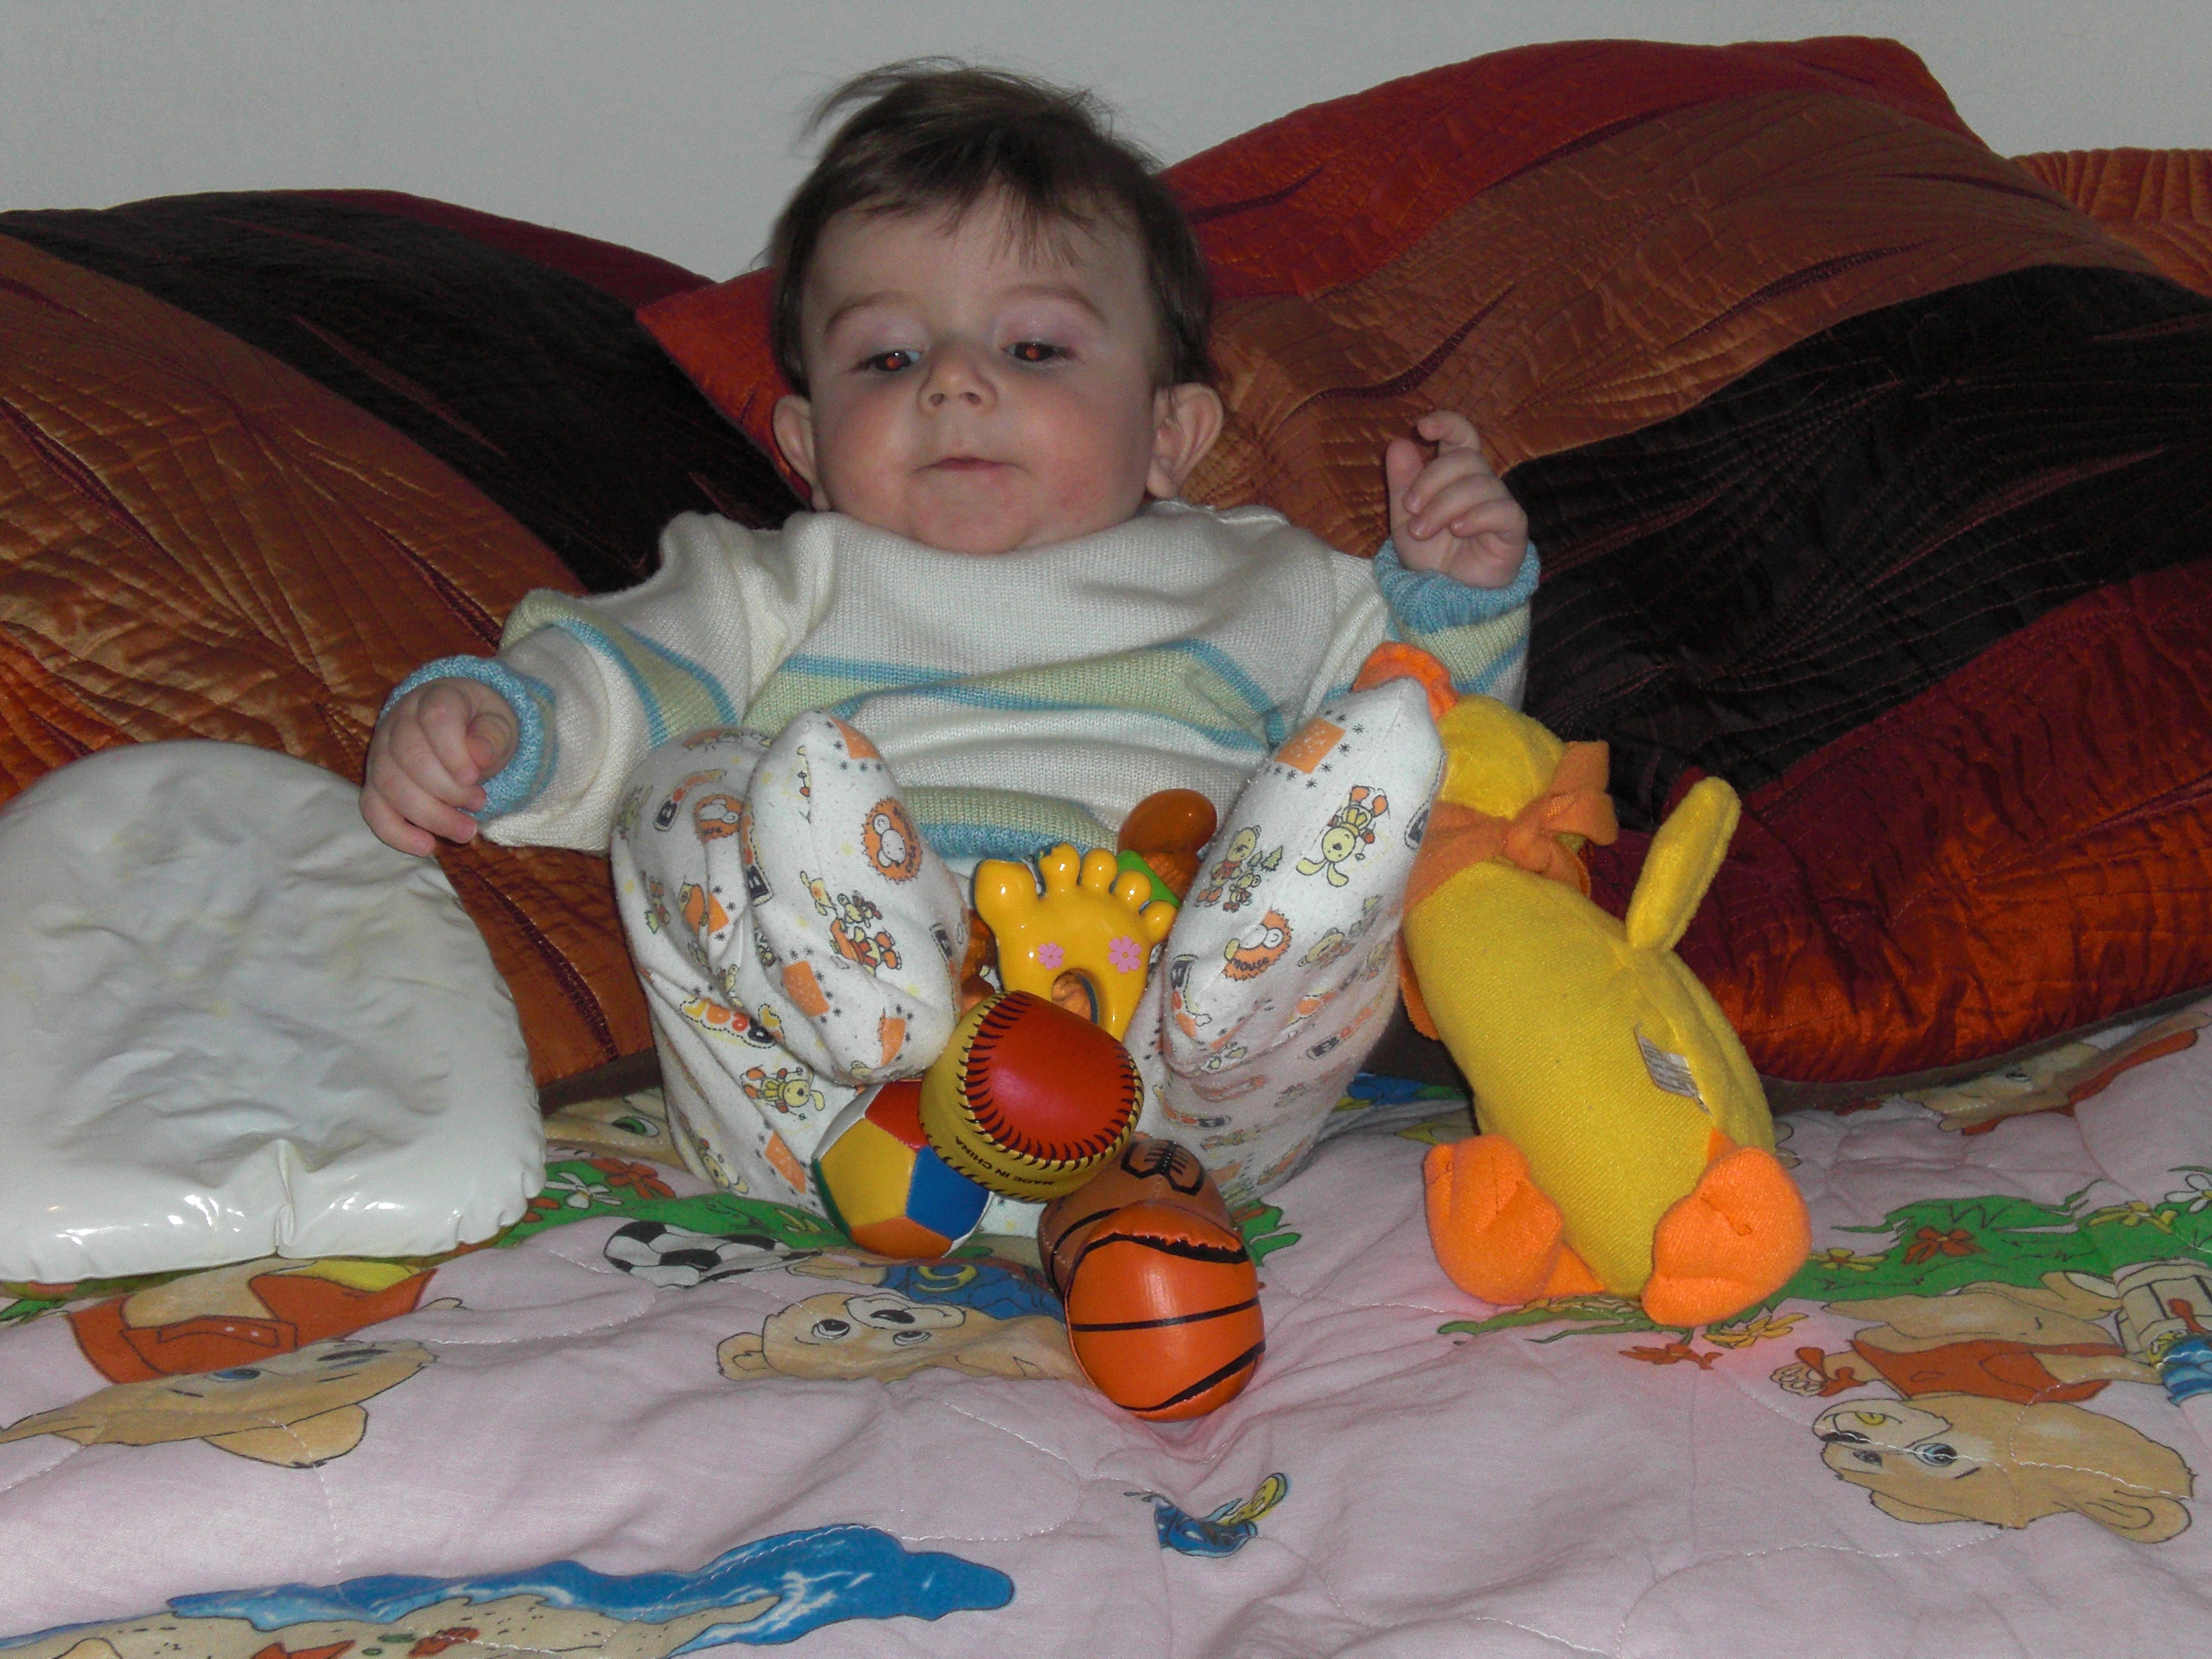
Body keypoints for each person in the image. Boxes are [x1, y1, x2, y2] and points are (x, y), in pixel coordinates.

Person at [360, 62, 1535, 1223]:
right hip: (825, 1099)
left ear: (1170, 432)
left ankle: (1237, 992)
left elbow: (1455, 758)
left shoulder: (1274, 581)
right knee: (685, 776)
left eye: (1033, 350)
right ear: (809, 446)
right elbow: (623, 679)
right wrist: (511, 723)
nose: (956, 385)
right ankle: (882, 994)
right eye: (890, 358)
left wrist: (1458, 605)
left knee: (1372, 756)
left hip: (1176, 1097)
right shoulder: (777, 580)